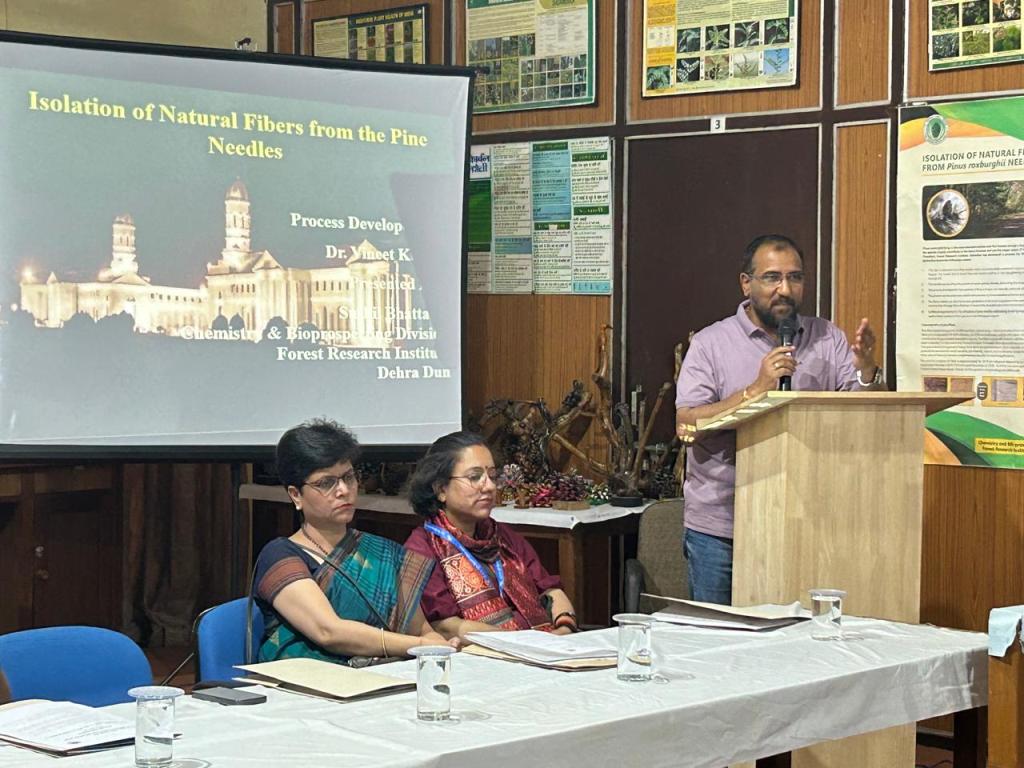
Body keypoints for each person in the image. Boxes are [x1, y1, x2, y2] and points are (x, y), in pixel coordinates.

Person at [675, 234, 883, 605]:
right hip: (724, 529)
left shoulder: (828, 338)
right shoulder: (710, 344)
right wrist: (755, 390)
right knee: (717, 637)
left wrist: (866, 371)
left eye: (795, 278)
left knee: (803, 637)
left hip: (808, 521)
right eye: (772, 277)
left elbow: (861, 418)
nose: (785, 289)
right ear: (746, 283)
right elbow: (688, 425)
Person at [253, 418, 455, 664]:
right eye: (326, 483)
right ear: (296, 495)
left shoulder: (379, 554)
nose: (343, 490)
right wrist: (420, 646)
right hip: (305, 680)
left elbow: (421, 630)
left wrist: (438, 648)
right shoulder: (279, 555)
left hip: (384, 674)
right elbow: (329, 631)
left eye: (348, 477)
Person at [404, 431, 579, 640]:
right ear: (440, 489)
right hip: (480, 652)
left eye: (492, 476)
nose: (489, 486)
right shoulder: (422, 549)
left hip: (541, 644)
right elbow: (444, 626)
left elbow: (550, 591)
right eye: (474, 477)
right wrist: (521, 642)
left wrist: (565, 627)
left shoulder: (502, 536)